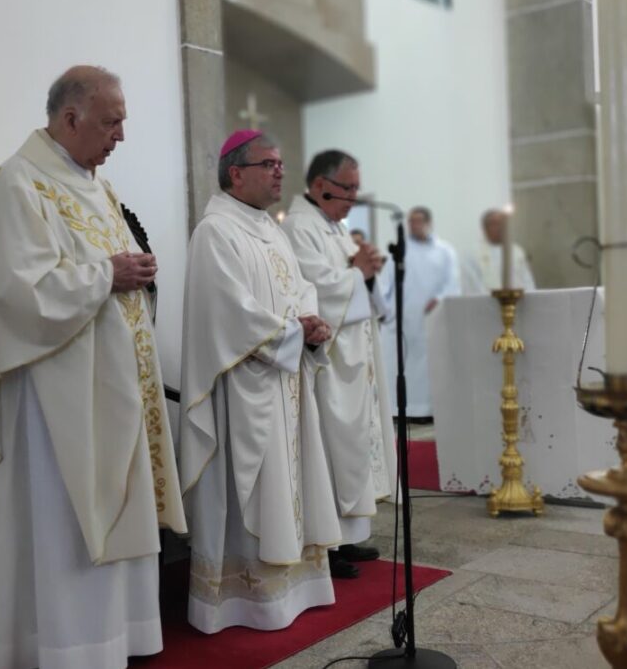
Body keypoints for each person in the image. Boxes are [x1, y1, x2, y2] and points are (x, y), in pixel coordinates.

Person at [0, 66, 187, 669]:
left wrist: (134, 275)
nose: (121, 136)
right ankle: (63, 650)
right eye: (112, 122)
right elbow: (13, 295)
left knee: (118, 513)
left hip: (114, 391)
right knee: (64, 527)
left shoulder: (97, 187)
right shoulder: (18, 185)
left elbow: (111, 274)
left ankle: (118, 639)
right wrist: (109, 274)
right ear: (70, 118)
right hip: (57, 405)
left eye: (123, 121)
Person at [178, 130, 343, 634]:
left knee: (290, 485)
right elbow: (229, 315)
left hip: (286, 384)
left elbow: (300, 288)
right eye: (268, 163)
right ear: (236, 173)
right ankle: (243, 600)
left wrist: (311, 324)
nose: (279, 172)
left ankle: (295, 589)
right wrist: (293, 333)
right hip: (245, 393)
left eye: (280, 163)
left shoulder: (271, 230)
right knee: (254, 491)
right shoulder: (215, 232)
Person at [282, 150, 397, 580]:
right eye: (346, 188)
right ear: (319, 186)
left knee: (352, 448)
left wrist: (367, 270)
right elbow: (313, 289)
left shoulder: (337, 227)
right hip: (328, 358)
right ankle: (329, 546)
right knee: (332, 447)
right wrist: (357, 273)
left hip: (355, 354)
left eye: (355, 189)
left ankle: (350, 536)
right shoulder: (299, 227)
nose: (353, 197)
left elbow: (354, 281)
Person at [380, 206, 460, 421]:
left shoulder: (444, 251)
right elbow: (385, 285)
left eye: (418, 221)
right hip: (402, 321)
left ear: (428, 223)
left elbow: (452, 284)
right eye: (410, 222)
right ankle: (400, 410)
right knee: (401, 363)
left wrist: (440, 298)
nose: (413, 226)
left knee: (428, 365)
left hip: (431, 319)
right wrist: (383, 310)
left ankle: (428, 410)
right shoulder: (398, 252)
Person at [463, 207, 536, 293]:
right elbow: (472, 285)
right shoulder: (473, 254)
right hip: (485, 304)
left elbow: (527, 281)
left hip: (518, 303)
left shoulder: (517, 251)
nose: (499, 228)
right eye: (494, 224)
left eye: (502, 223)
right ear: (484, 228)